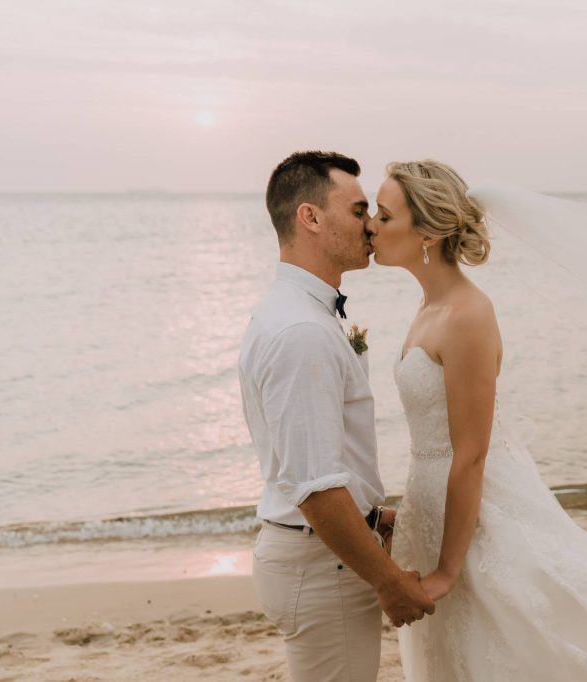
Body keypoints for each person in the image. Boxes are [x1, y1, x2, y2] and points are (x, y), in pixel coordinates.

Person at [367, 160, 587, 680]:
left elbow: (470, 452)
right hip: (432, 511)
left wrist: (449, 571)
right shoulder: (430, 307)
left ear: (427, 231)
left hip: (481, 520)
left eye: (383, 217)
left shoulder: (467, 314)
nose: (370, 224)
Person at [239, 151, 434, 682]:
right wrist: (388, 580)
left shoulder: (298, 312)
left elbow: (312, 463)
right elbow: (315, 487)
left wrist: (375, 516)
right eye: (358, 209)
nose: (370, 225)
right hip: (321, 566)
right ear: (310, 217)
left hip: (319, 553)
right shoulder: (301, 332)